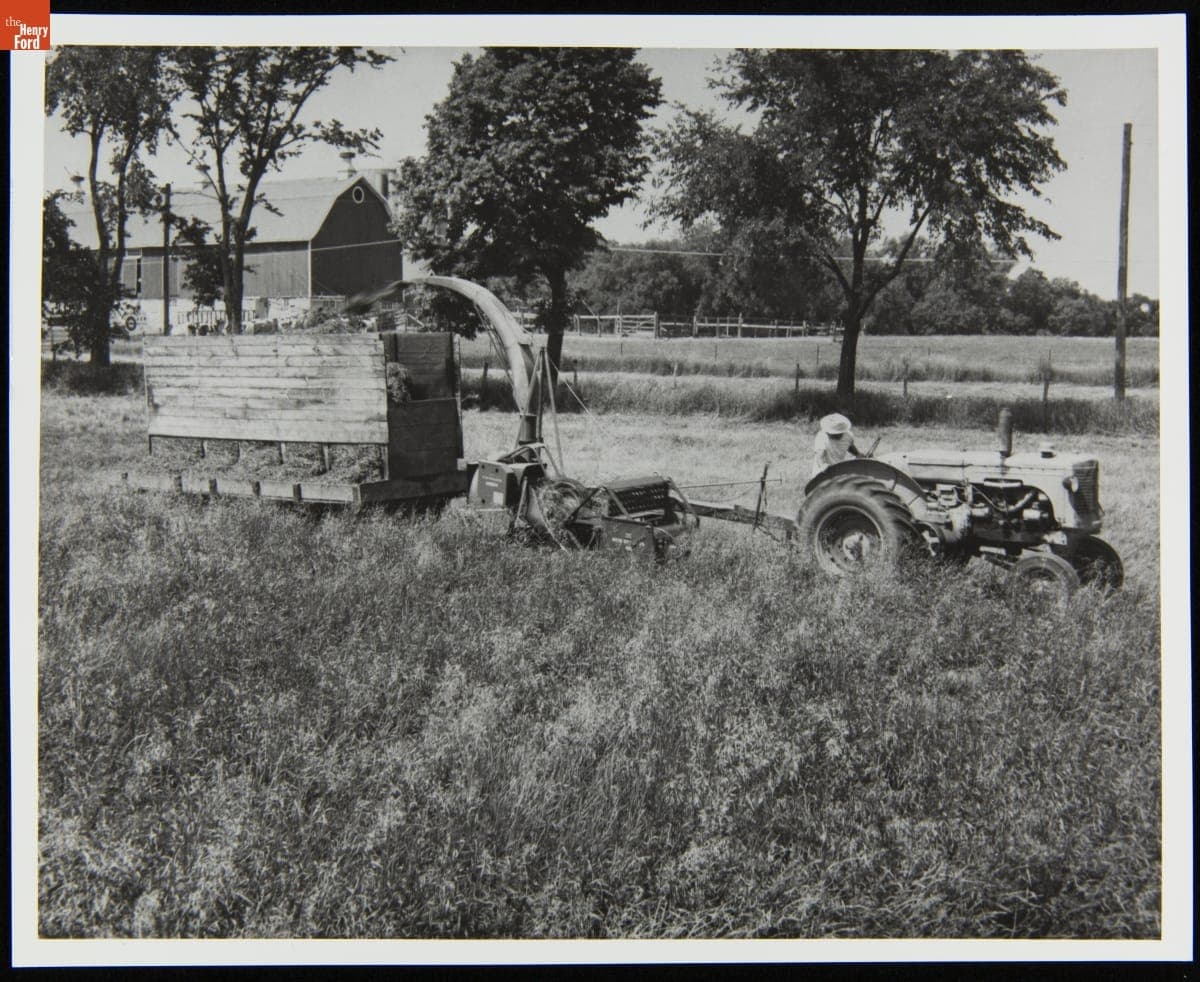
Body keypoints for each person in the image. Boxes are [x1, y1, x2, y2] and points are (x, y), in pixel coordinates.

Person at [811, 413, 862, 478]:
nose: (829, 433)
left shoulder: (848, 436)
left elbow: (850, 446)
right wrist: (822, 465)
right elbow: (819, 455)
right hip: (823, 471)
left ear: (842, 432)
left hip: (838, 470)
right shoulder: (822, 436)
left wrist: (858, 454)